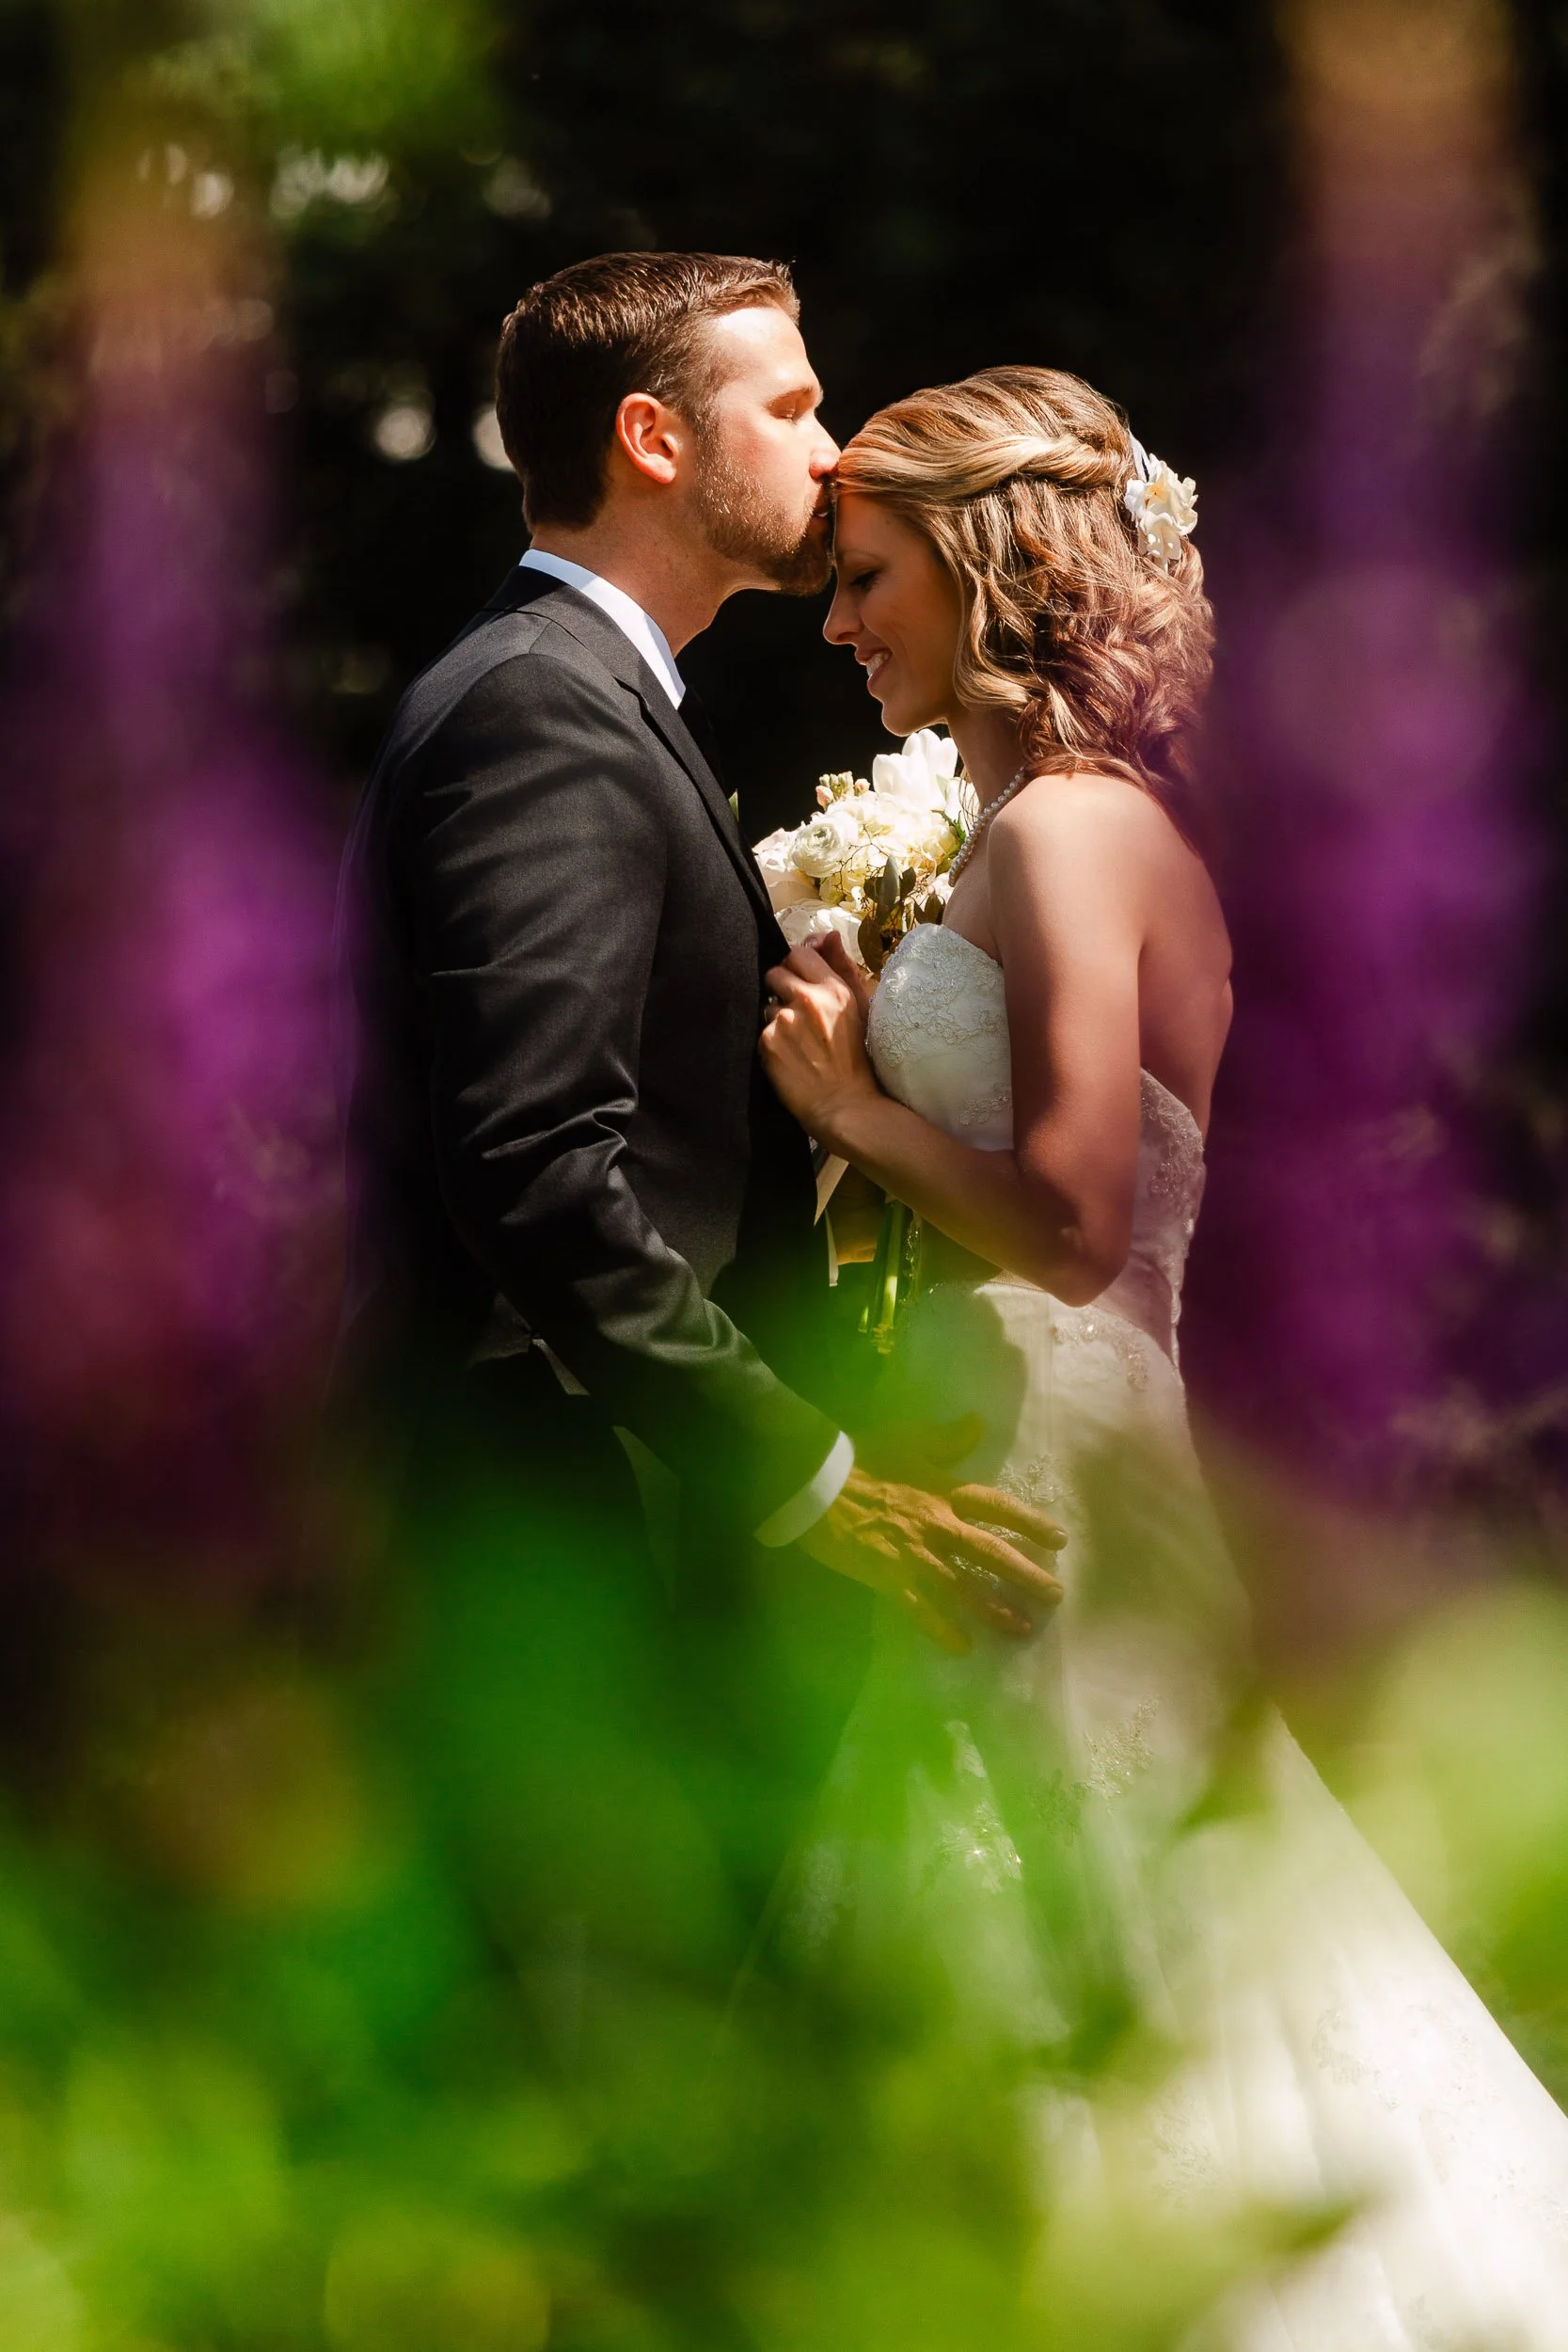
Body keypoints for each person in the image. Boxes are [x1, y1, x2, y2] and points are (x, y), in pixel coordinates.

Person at [759, 364, 1568, 2344]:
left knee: (1098, 1927)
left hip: (1057, 1442)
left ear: (976, 562)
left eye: (865, 579)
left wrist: (849, 1107)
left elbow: (1071, 1215)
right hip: (1036, 1417)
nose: (844, 623)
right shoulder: (1050, 826)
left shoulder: (1064, 837)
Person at [333, 258, 1062, 2022]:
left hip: (606, 1520)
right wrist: (808, 1483)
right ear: (653, 438)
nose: (830, 451)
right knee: (610, 2060)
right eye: (791, 407)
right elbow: (532, 1162)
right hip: (581, 1531)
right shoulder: (540, 709)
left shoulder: (591, 694)